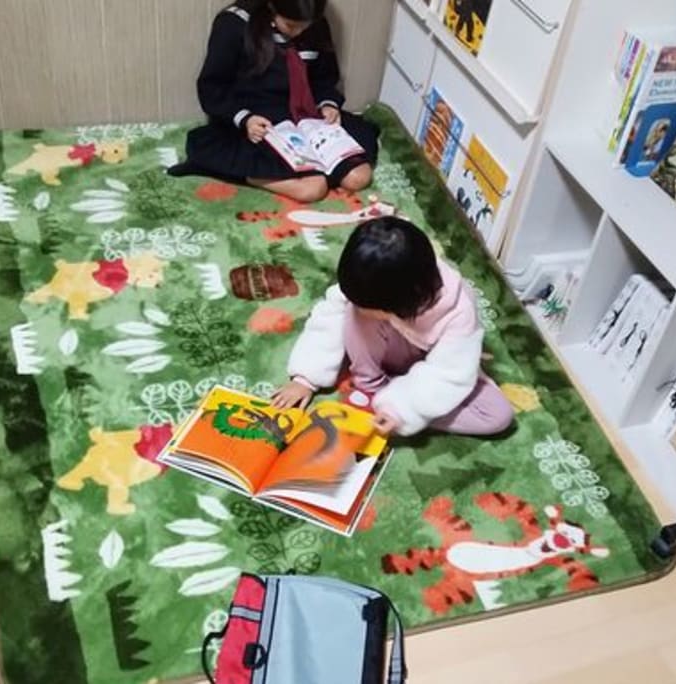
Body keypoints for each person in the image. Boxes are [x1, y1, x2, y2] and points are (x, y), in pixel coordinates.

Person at [272, 216, 514, 437]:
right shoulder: (371, 277)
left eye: (370, 306)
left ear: (401, 303)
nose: (360, 306)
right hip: (384, 353)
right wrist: (305, 378)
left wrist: (401, 411)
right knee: (352, 312)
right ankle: (370, 384)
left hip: (430, 361)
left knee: (497, 417)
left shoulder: (458, 310)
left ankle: (388, 397)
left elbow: (448, 372)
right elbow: (328, 318)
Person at [171, 0, 379, 203]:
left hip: (306, 117)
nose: (299, 32)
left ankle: (315, 168)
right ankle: (245, 173)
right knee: (313, 189)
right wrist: (246, 119)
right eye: (291, 25)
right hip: (259, 121)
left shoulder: (315, 23)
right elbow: (212, 87)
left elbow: (324, 78)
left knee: (359, 177)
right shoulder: (234, 23)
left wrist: (328, 104)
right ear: (271, 6)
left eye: (306, 26)